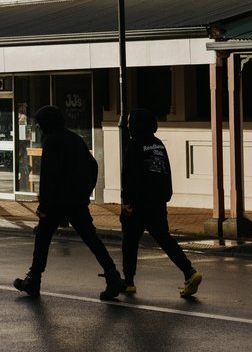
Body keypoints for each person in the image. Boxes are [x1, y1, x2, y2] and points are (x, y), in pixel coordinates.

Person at [13, 105, 127, 301]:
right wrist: (84, 193)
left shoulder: (51, 141)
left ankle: (34, 280)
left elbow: (50, 177)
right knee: (91, 238)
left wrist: (44, 207)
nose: (39, 129)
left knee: (42, 238)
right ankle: (112, 275)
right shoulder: (75, 138)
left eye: (40, 125)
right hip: (77, 201)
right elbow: (93, 166)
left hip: (58, 202)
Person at [120, 107, 202, 298]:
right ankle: (190, 272)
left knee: (130, 241)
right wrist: (166, 195)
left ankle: (129, 281)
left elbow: (130, 175)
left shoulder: (134, 144)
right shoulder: (158, 144)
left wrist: (127, 201)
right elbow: (165, 172)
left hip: (138, 203)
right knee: (165, 239)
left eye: (131, 121)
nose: (128, 124)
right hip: (157, 201)